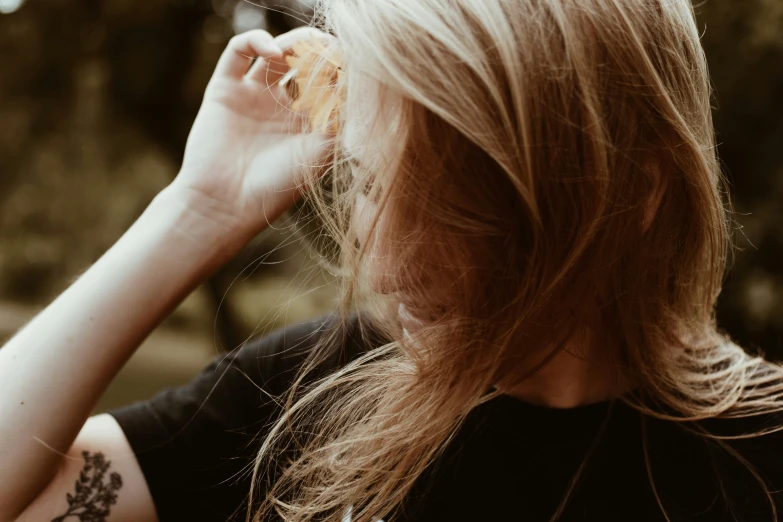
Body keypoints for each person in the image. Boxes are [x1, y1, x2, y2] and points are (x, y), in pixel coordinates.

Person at [2, 1, 782, 521]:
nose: (383, 268)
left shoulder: (761, 458)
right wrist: (197, 210)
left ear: (631, 190)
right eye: (369, 183)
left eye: (448, 207)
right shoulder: (320, 389)